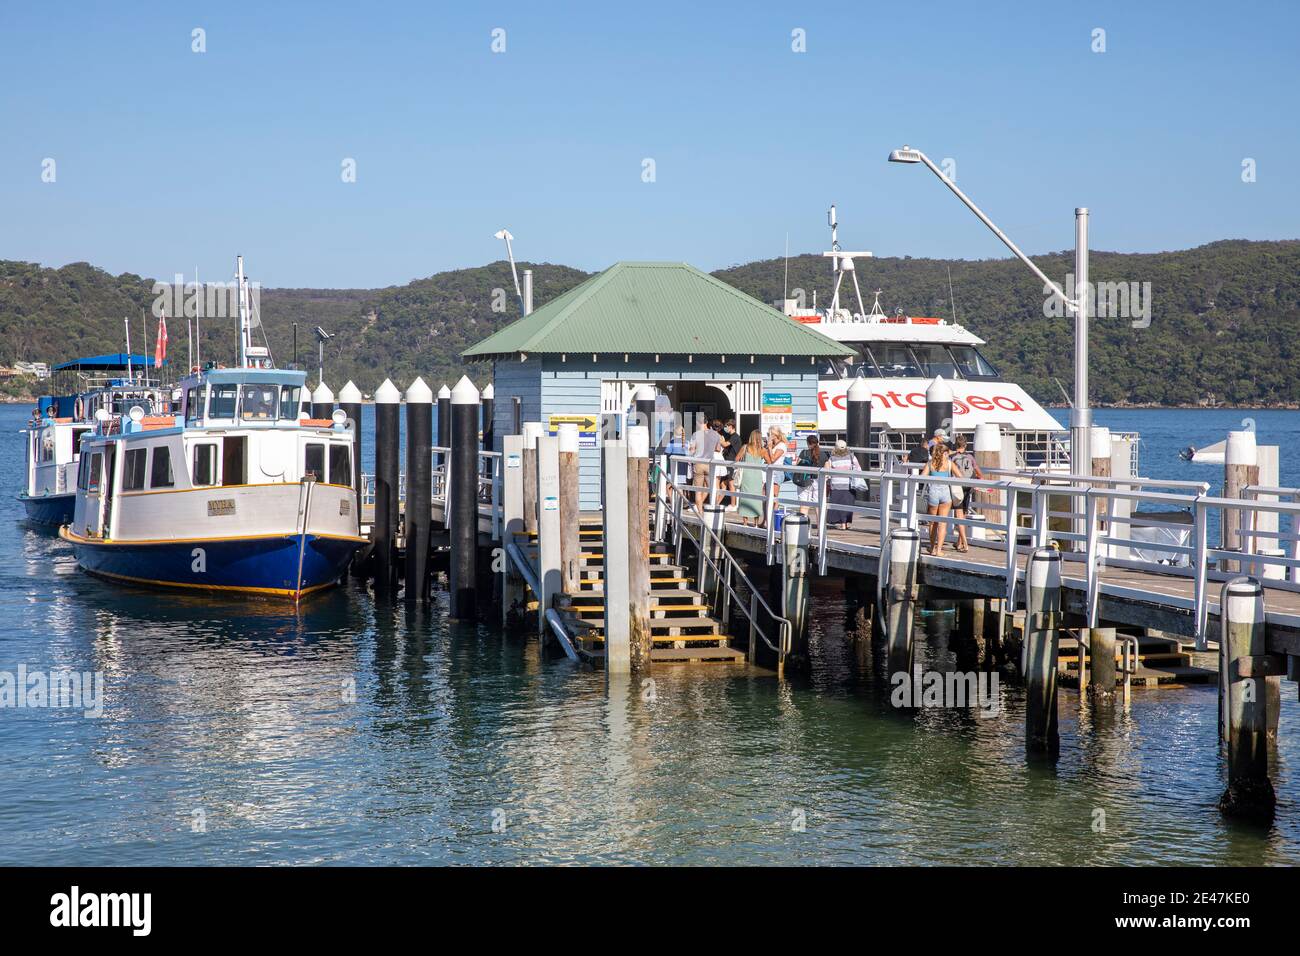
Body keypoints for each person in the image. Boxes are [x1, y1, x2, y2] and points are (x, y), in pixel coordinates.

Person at [948, 434, 985, 553]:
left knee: (958, 515)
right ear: (966, 445)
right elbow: (979, 474)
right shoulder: (970, 457)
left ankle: (964, 543)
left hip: (957, 488)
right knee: (963, 514)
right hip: (968, 487)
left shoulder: (952, 457)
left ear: (956, 444)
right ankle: (959, 542)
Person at [920, 440, 954, 555]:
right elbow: (960, 476)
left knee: (933, 523)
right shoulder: (949, 463)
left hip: (933, 493)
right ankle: (939, 550)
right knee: (943, 523)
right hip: (946, 494)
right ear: (944, 453)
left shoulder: (930, 463)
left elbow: (922, 477)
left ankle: (932, 547)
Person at [688, 418, 723, 507]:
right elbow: (718, 449)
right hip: (709, 463)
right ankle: (714, 508)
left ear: (697, 423)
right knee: (711, 487)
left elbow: (692, 450)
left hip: (698, 463)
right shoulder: (715, 434)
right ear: (707, 422)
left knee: (698, 490)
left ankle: (699, 511)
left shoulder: (696, 434)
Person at [736, 430, 767, 526]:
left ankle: (745, 522)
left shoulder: (745, 447)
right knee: (757, 498)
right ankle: (756, 523)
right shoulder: (763, 450)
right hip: (757, 476)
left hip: (746, 475)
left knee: (745, 497)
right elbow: (770, 462)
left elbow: (736, 459)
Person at [825, 440, 858, 529]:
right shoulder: (851, 456)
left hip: (836, 484)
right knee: (847, 504)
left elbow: (828, 471)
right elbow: (858, 469)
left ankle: (842, 523)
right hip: (848, 484)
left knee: (837, 504)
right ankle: (845, 524)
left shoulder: (832, 458)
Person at [794, 433, 825, 520]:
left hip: (805, 480)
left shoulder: (804, 453)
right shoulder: (823, 454)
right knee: (818, 506)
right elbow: (827, 468)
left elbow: (797, 465)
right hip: (818, 481)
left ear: (808, 443)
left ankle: (803, 528)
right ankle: (820, 530)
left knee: (804, 505)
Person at [761, 426, 789, 511]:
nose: (768, 436)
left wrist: (769, 448)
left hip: (776, 472)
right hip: (768, 472)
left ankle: (773, 517)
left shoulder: (781, 445)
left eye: (769, 434)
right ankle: (766, 518)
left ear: (774, 435)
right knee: (764, 494)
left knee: (774, 496)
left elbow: (773, 459)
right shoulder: (773, 445)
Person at [721, 420, 742, 508]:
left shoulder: (735, 437)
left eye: (727, 426)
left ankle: (733, 504)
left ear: (731, 426)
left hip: (732, 462)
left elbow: (725, 444)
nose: (726, 428)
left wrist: (718, 438)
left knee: (731, 483)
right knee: (723, 484)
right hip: (728, 462)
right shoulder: (731, 436)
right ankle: (717, 503)